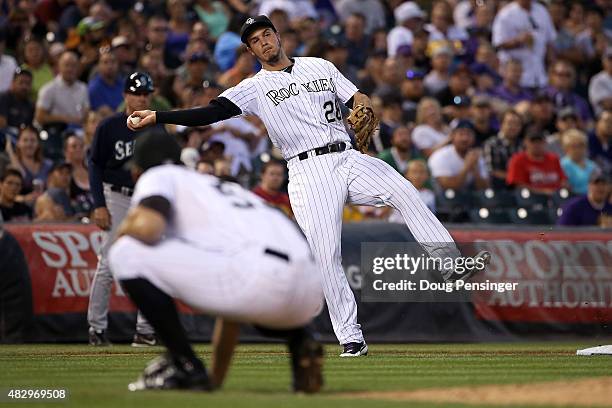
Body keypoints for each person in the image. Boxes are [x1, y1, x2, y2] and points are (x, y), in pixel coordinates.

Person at [128, 16, 491, 356]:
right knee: (327, 253)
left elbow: (358, 98)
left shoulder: (320, 65)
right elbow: (209, 112)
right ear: (251, 51)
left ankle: (448, 263)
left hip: (347, 156)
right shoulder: (254, 87)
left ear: (278, 36)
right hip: (307, 170)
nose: (264, 42)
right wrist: (159, 116)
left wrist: (364, 105)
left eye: (267, 34)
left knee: (405, 190)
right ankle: (351, 338)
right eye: (255, 41)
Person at [108, 129, 324, 392]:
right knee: (249, 287)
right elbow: (229, 314)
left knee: (125, 252)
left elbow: (149, 227)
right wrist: (213, 381)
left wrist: (121, 228)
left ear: (137, 170)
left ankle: (183, 363)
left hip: (259, 279)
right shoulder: (220, 186)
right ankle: (301, 339)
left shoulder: (159, 175)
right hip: (307, 292)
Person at [87, 72, 161, 347]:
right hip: (115, 195)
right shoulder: (110, 126)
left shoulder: (156, 126)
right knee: (108, 261)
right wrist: (99, 204)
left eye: (146, 93)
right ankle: (96, 328)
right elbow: (94, 165)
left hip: (145, 198)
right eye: (136, 92)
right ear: (126, 95)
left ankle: (145, 330)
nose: (141, 97)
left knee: (148, 261)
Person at [492, 0, 556, 89]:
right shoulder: (506, 14)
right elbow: (497, 44)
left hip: (540, 76)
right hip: (516, 78)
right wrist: (518, 41)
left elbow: (550, 41)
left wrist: (552, 67)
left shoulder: (542, 11)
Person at [428, 120, 489, 191]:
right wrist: (466, 167)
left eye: (468, 134)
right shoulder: (440, 156)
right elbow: (449, 187)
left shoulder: (476, 156)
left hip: (469, 199)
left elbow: (485, 189)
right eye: (461, 134)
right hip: (442, 199)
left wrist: (475, 170)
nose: (465, 138)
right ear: (452, 136)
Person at [483, 109, 523, 190]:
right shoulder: (491, 144)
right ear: (501, 125)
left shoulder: (523, 145)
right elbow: (491, 172)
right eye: (510, 123)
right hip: (498, 190)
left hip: (521, 190)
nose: (513, 127)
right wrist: (515, 178)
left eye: (517, 124)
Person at [560, 129, 597, 195]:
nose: (578, 149)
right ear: (566, 148)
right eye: (573, 146)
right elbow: (565, 188)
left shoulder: (592, 165)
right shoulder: (562, 165)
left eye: (581, 145)